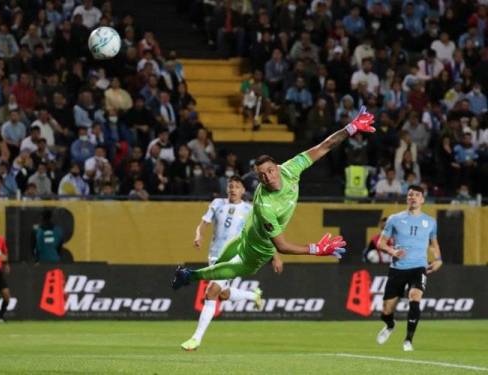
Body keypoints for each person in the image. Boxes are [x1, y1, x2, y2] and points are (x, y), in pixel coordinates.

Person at [171, 107, 376, 289]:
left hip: (250, 229)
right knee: (236, 270)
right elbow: (281, 246)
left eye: (270, 171)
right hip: (258, 249)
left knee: (228, 259)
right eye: (262, 176)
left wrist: (351, 128)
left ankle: (201, 277)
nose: (269, 177)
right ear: (258, 179)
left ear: (277, 167)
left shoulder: (290, 168)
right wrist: (316, 249)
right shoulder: (265, 205)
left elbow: (325, 146)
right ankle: (190, 276)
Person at [181, 176, 283, 351]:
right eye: (230, 186)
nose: (233, 189)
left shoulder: (250, 210)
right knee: (223, 294)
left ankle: (196, 339)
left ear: (243, 191)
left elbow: (266, 233)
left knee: (211, 292)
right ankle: (253, 296)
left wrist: (276, 256)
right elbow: (203, 223)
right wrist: (199, 235)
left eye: (237, 186)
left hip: (235, 256)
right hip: (214, 256)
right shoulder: (217, 203)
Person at [376, 185, 443, 352]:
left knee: (415, 297)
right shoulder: (394, 219)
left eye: (416, 195)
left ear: (422, 199)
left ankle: (408, 340)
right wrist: (393, 251)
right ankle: (390, 325)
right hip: (398, 268)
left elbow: (433, 244)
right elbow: (381, 243)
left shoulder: (430, 222)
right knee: (386, 311)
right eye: (410, 194)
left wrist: (438, 259)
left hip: (419, 267)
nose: (413, 197)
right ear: (407, 198)